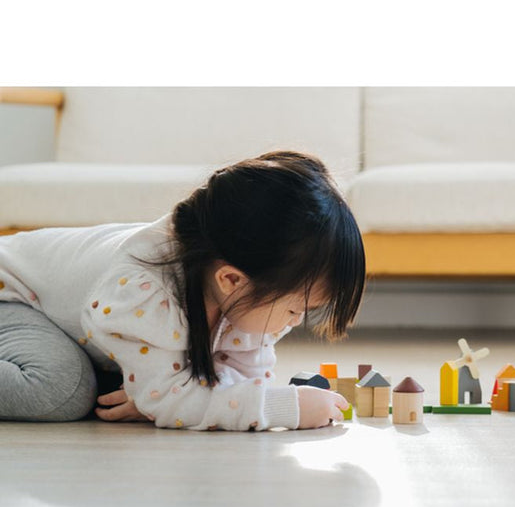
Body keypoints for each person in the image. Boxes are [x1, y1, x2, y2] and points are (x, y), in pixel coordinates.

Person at [0, 151, 364, 430]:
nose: (293, 322)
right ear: (232, 280)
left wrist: (162, 398)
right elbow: (179, 397)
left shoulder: (238, 281)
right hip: (12, 293)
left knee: (131, 388)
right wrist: (283, 408)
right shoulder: (145, 288)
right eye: (292, 310)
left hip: (69, 318)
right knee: (64, 390)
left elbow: (240, 380)